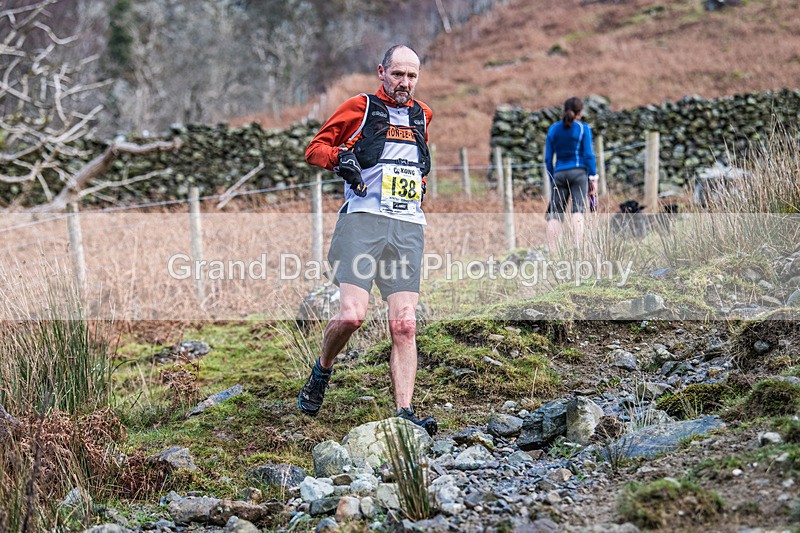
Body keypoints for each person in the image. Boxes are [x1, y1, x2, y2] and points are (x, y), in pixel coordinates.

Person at [298, 45, 437, 436]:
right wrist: (341, 158)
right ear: (382, 72)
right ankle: (322, 370)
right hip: (362, 223)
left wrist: (419, 187)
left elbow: (415, 163)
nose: (404, 83)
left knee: (405, 325)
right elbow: (315, 149)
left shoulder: (422, 114)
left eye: (411, 76)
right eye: (398, 75)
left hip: (407, 227)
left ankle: (404, 413)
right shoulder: (359, 107)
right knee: (352, 316)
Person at [544, 97, 598, 252]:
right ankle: (579, 249)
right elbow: (589, 155)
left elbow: (548, 159)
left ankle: (552, 253)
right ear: (580, 112)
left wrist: (552, 178)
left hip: (559, 173)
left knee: (555, 215)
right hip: (579, 173)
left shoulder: (553, 129)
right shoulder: (583, 129)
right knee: (578, 211)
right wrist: (593, 177)